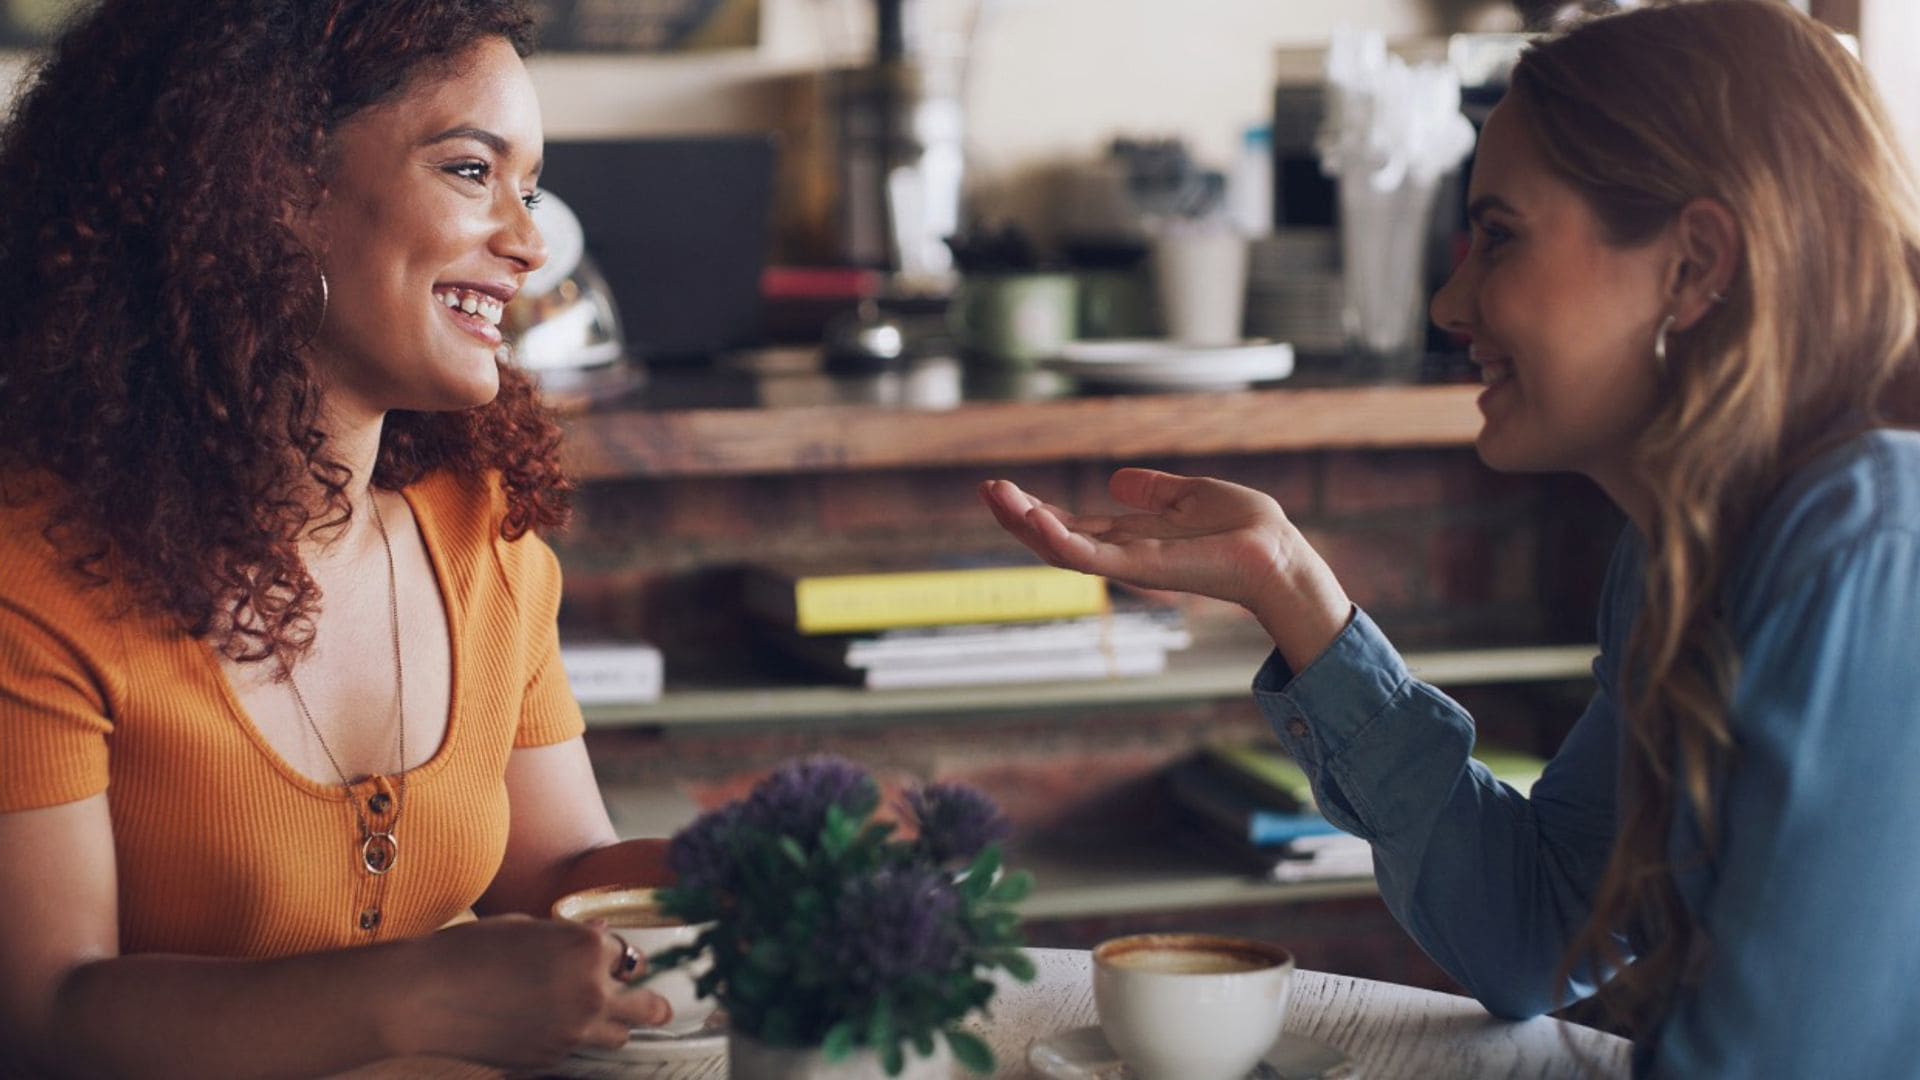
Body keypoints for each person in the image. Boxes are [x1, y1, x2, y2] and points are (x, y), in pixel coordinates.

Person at [983, 2, 1920, 1075]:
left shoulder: (1870, 549)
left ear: (1694, 265)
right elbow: (1536, 932)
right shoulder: (1683, 553)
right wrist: (1290, 589)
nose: (1448, 299)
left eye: (1503, 237)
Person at [0, 2, 678, 1075]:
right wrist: (411, 996)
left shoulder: (480, 533)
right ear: (272, 189)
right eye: (471, 171)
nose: (529, 241)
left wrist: (762, 868)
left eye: (530, 186)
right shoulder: (30, 578)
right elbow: (42, 1016)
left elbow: (565, 876)